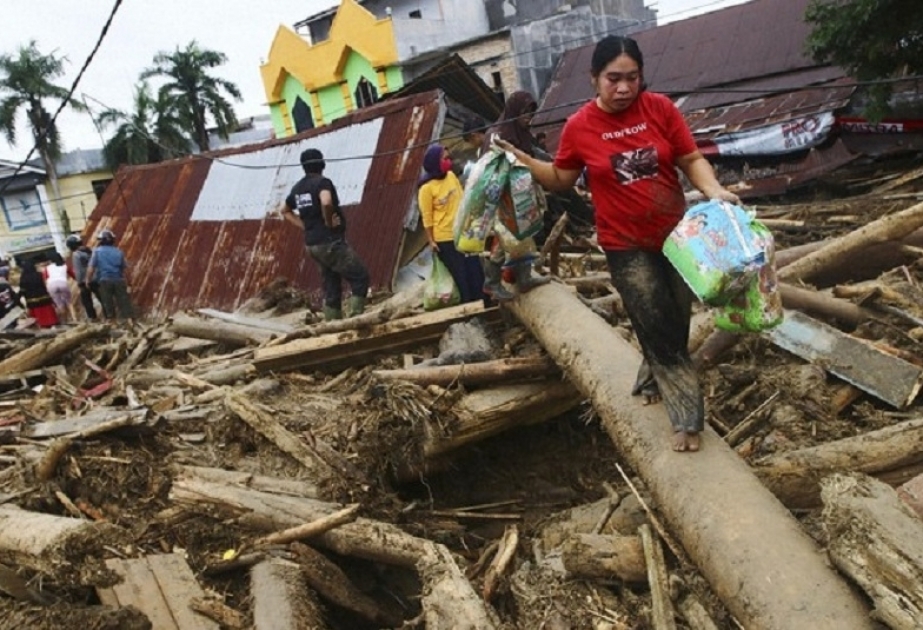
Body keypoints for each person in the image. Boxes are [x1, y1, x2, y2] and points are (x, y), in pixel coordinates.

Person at [496, 36, 741, 453]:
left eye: (632, 77)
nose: (624, 87)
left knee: (674, 318)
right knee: (654, 318)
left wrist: (713, 189)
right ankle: (686, 420)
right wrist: (522, 160)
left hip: (677, 240)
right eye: (614, 79)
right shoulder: (580, 127)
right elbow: (561, 179)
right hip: (625, 245)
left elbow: (689, 158)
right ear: (594, 78)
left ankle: (649, 378)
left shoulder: (660, 109)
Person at [277, 148, 370, 321]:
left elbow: (284, 210)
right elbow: (326, 201)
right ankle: (357, 319)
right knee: (360, 276)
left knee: (331, 285)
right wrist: (328, 221)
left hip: (312, 245)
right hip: (330, 242)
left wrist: (305, 226)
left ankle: (332, 324)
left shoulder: (298, 188)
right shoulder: (322, 183)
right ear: (321, 163)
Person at [480, 90, 550, 300]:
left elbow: (532, 155)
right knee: (505, 240)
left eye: (531, 113)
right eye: (525, 112)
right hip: (504, 197)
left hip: (522, 194)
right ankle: (492, 283)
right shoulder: (497, 135)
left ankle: (524, 277)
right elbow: (488, 169)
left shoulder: (522, 133)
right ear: (514, 111)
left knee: (525, 235)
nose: (528, 117)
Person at [417, 143, 486, 304]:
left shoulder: (451, 176)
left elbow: (462, 200)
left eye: (448, 158)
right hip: (446, 239)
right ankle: (470, 310)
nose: (448, 161)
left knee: (476, 272)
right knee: (461, 277)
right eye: (444, 159)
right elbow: (427, 217)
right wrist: (431, 241)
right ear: (435, 163)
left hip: (464, 233)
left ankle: (484, 305)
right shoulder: (426, 189)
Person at [87, 229, 135, 324]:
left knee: (107, 302)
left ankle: (112, 322)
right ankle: (129, 320)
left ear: (101, 241)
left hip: (104, 280)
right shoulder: (119, 252)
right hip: (119, 280)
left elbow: (91, 268)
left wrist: (87, 280)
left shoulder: (97, 252)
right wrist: (129, 283)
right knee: (124, 301)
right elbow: (125, 269)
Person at [65, 234, 99, 320]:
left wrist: (79, 282)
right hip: (95, 278)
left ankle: (93, 318)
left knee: (87, 301)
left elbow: (78, 270)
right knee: (101, 297)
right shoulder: (89, 251)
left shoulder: (76, 254)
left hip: (84, 281)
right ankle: (109, 316)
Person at [18, 259, 58, 328]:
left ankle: (41, 324)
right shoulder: (39, 274)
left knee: (38, 316)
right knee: (47, 312)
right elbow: (45, 285)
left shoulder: (23, 278)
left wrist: (18, 297)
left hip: (32, 300)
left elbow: (23, 290)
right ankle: (52, 323)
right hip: (44, 297)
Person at [42, 251, 76, 324]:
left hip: (51, 285)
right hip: (63, 284)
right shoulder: (65, 266)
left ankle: (65, 321)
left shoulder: (48, 268)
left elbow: (44, 279)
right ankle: (75, 319)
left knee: (59, 304)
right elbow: (73, 275)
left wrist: (46, 289)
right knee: (69, 303)